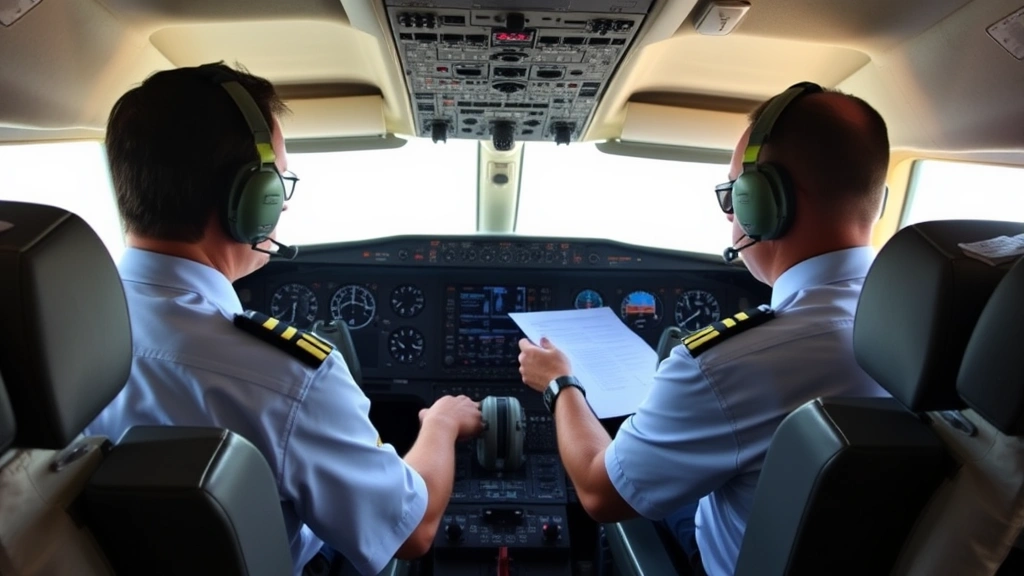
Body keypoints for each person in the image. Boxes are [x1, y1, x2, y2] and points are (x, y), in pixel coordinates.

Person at [83, 62, 484, 576]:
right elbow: (413, 529)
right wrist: (442, 423)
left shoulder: (46, 339)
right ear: (250, 199)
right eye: (278, 182)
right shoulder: (288, 378)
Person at [516, 82, 892, 576]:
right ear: (876, 198)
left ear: (764, 201)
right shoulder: (941, 326)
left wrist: (561, 383)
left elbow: (597, 491)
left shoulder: (725, 366)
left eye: (734, 192)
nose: (732, 212)